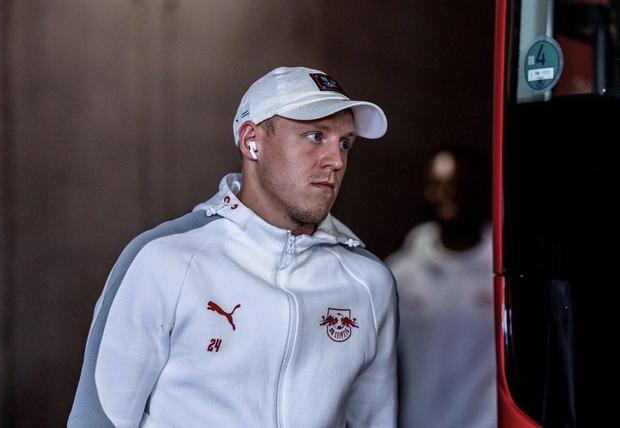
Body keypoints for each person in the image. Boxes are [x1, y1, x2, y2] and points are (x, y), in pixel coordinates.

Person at [68, 66, 398, 427]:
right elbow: (97, 420)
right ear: (251, 141)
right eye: (315, 136)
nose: (336, 160)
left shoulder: (369, 282)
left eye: (345, 143)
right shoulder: (164, 260)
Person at [385, 147, 496, 428]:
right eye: (437, 185)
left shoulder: (502, 274)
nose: (446, 195)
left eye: (458, 185)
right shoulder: (400, 274)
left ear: (480, 190)